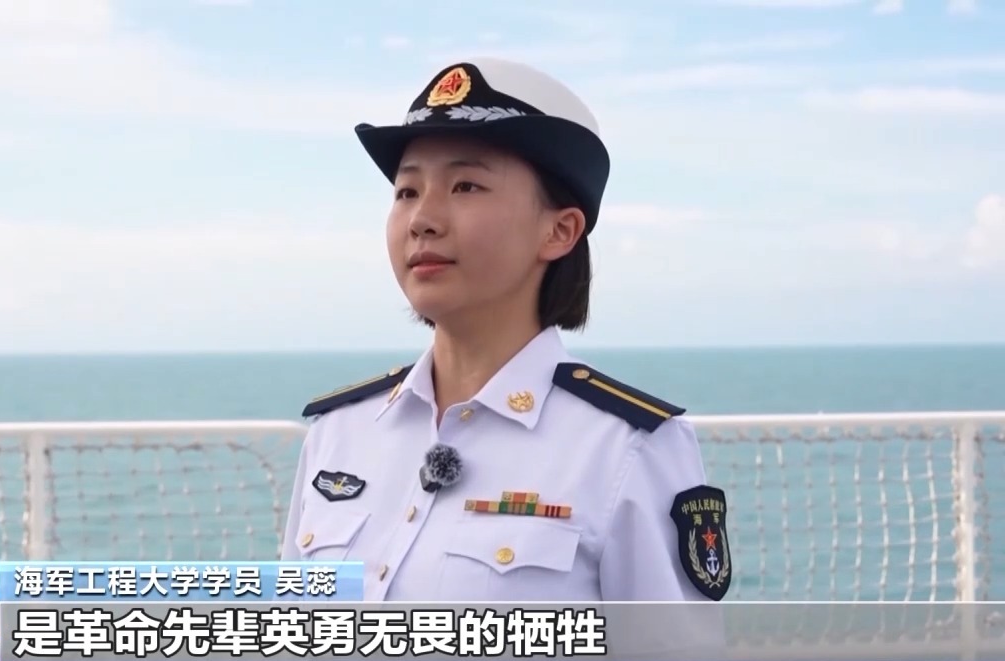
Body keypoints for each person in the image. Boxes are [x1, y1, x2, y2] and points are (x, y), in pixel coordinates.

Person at [279, 58, 731, 615]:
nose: (422, 219)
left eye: (465, 185)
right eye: (407, 191)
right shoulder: (339, 433)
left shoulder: (627, 449)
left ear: (559, 231)